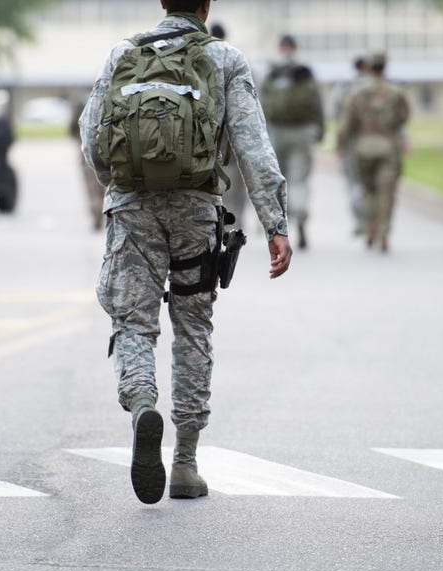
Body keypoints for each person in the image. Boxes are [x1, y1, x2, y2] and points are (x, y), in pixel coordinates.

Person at [80, 0, 292, 504]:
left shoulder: (121, 54)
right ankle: (186, 462)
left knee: (133, 322)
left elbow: (92, 137)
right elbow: (253, 146)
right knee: (193, 327)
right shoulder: (225, 59)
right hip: (197, 210)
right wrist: (275, 224)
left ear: (162, 3)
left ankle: (141, 406)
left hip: (132, 209)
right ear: (205, 5)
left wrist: (118, 189)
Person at [336, 52, 409, 253]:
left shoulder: (358, 92)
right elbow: (404, 117)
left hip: (364, 147)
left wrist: (340, 145)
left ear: (369, 67)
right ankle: (384, 231)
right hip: (388, 146)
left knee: (368, 190)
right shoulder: (396, 92)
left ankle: (369, 228)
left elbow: (347, 122)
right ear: (385, 67)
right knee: (387, 192)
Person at [260, 35, 324, 250]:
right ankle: (302, 215)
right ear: (295, 48)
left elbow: (260, 105)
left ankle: (280, 228)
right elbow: (317, 102)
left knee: (279, 183)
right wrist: (320, 130)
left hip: (277, 132)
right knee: (299, 180)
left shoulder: (271, 72)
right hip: (303, 131)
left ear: (279, 47)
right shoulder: (305, 72)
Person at [209, 22, 248, 223]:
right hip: (233, 131)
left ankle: (219, 216)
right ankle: (236, 217)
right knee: (236, 176)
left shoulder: (200, 60)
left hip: (210, 131)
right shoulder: (234, 59)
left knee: (214, 173)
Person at [332, 56, 370, 237]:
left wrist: (338, 144)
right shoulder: (379, 87)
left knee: (353, 183)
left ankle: (359, 222)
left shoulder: (345, 88)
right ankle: (372, 221)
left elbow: (335, 115)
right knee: (371, 184)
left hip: (351, 143)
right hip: (374, 140)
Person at [70, 94, 105, 230]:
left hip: (87, 150)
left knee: (91, 186)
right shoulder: (109, 96)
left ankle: (96, 213)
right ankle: (106, 214)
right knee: (106, 185)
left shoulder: (82, 102)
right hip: (107, 149)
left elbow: (72, 127)